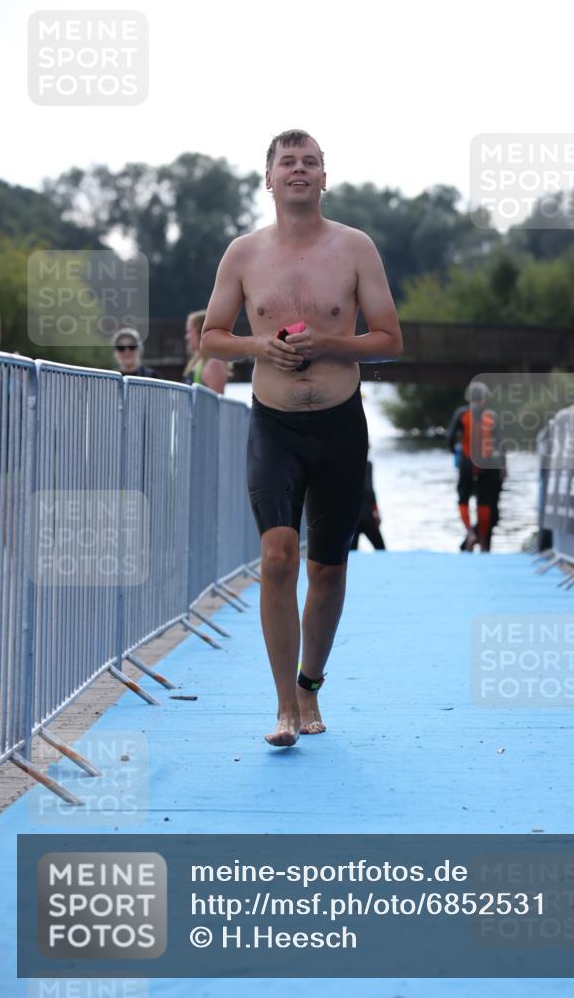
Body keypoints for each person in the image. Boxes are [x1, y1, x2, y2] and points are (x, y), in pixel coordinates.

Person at [200, 129, 403, 747]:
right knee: (277, 556)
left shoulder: (355, 248)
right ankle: (285, 706)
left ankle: (311, 682)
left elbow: (390, 341)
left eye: (309, 162)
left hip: (340, 426)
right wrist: (257, 345)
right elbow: (211, 337)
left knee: (329, 571)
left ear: (323, 178)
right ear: (269, 178)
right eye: (287, 162)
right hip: (275, 424)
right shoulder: (243, 254)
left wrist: (330, 343)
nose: (298, 169)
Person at [446, 381, 506, 552]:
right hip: (487, 463)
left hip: (466, 462)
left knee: (463, 498)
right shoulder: (491, 416)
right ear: (485, 398)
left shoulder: (461, 413)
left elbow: (450, 438)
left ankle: (470, 533)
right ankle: (484, 543)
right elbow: (500, 444)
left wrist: (455, 453)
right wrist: (503, 467)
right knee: (484, 501)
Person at [183, 309, 229, 392]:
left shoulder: (214, 363)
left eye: (189, 331)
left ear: (200, 332)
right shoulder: (198, 360)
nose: (187, 337)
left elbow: (215, 399)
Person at [350, 445, 386, 550]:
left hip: (352, 516)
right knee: (380, 549)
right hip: (366, 515)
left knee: (351, 552)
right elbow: (369, 490)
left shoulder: (345, 466)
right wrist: (376, 511)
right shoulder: (367, 465)